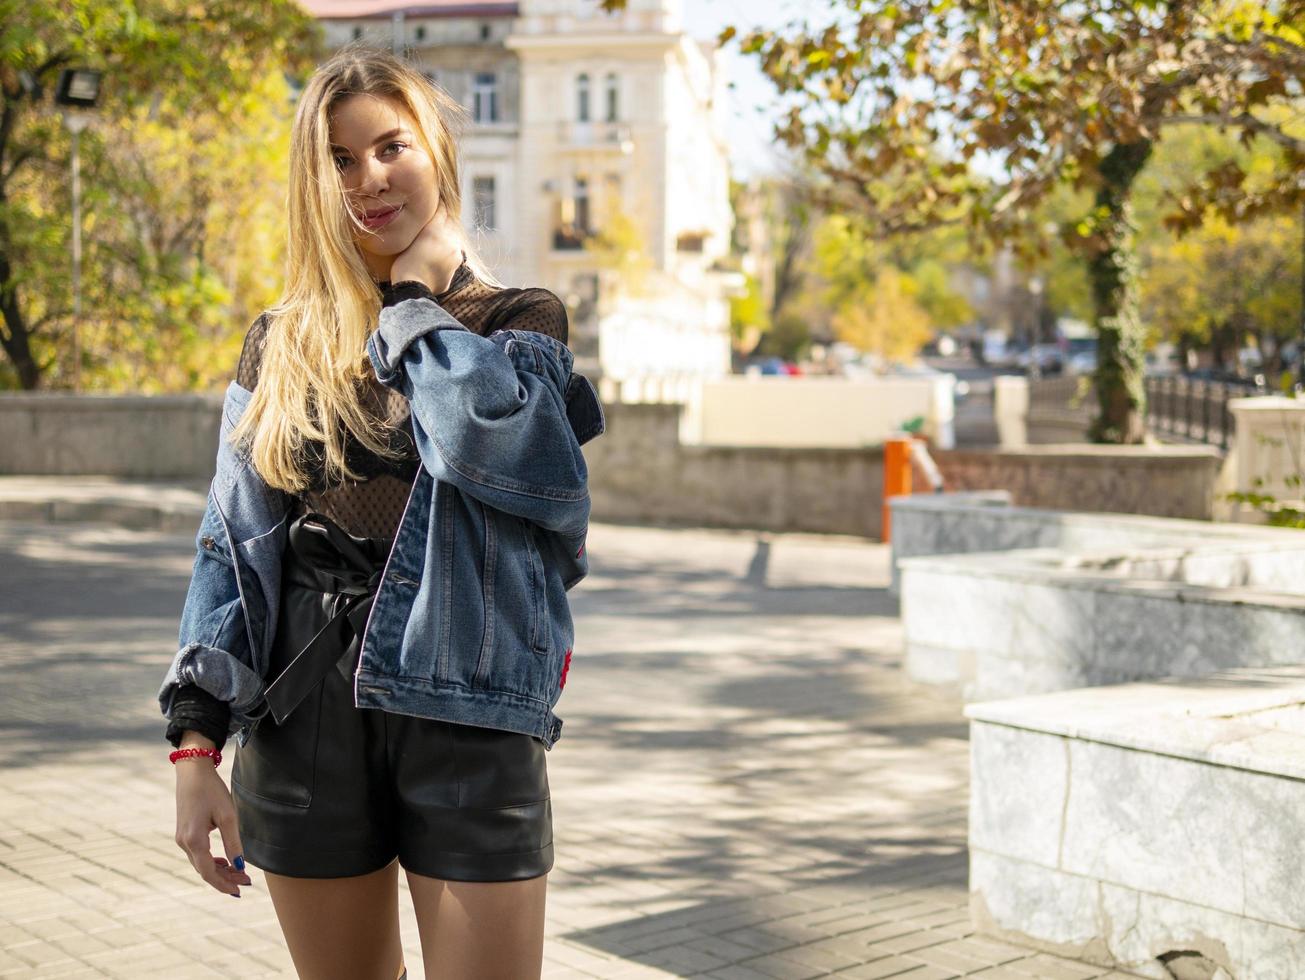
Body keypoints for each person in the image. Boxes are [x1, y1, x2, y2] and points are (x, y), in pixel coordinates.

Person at [157, 43, 604, 980]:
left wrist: (410, 302)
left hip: (469, 703)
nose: (369, 179)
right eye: (341, 160)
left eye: (390, 147)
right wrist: (196, 745)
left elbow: (509, 463)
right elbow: (231, 546)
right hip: (304, 709)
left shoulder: (518, 321)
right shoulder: (279, 343)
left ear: (436, 148)